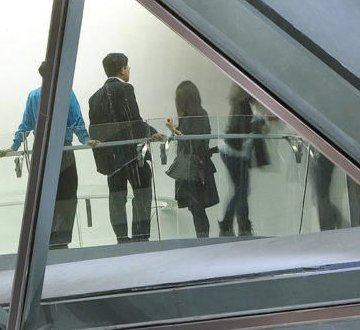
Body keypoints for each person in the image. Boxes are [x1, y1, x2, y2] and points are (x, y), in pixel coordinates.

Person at [0, 62, 91, 247]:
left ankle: (45, 241)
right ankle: (61, 241)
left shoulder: (34, 95)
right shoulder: (66, 92)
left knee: (45, 197)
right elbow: (76, 119)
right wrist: (86, 139)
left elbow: (26, 124)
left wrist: (14, 146)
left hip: (41, 151)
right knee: (67, 195)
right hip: (62, 149)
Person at [88, 53, 163, 244]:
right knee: (142, 193)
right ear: (122, 70)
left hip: (111, 158)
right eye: (127, 67)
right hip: (132, 155)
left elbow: (95, 132)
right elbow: (134, 119)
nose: (128, 70)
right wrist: (151, 132)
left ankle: (121, 238)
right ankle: (140, 237)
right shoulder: (126, 89)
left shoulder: (94, 98)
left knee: (116, 200)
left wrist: (103, 161)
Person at [165, 80, 219, 238]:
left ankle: (203, 242)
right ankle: (203, 242)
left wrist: (174, 130)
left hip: (194, 168)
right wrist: (174, 129)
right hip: (198, 165)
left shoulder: (193, 115)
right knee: (197, 208)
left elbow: (192, 141)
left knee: (197, 208)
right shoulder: (199, 113)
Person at [219, 83, 260, 237]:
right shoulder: (243, 106)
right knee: (241, 190)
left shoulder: (239, 104)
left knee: (241, 190)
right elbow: (243, 131)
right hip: (235, 153)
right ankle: (231, 224)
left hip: (231, 152)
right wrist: (258, 125)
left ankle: (240, 225)